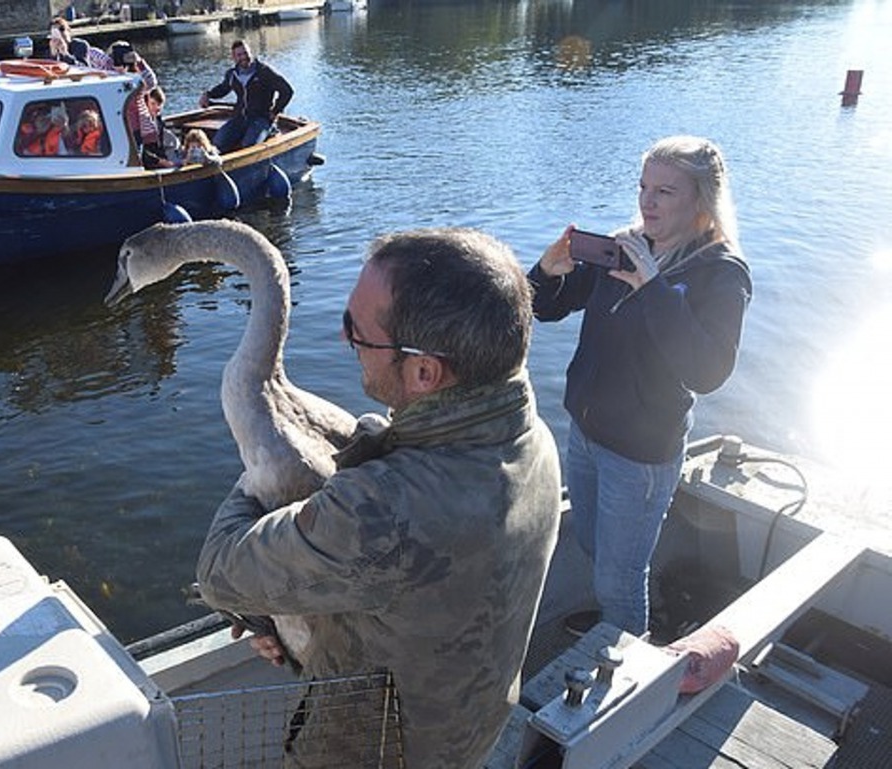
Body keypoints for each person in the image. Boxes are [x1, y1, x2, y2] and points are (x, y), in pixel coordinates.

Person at [196, 229, 562, 768]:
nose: (344, 339)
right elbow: (411, 593)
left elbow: (217, 572)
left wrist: (264, 473)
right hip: (469, 727)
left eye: (357, 333)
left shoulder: (381, 510)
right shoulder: (531, 439)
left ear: (423, 371)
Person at [529, 135, 752, 638]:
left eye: (665, 192)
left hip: (640, 457)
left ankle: (623, 654)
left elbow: (708, 372)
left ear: (702, 200)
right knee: (591, 543)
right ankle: (613, 624)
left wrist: (653, 288)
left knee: (620, 576)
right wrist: (546, 271)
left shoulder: (721, 273)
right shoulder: (625, 247)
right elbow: (546, 308)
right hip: (586, 435)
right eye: (643, 187)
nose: (647, 202)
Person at [197, 39, 293, 153]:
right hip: (239, 118)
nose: (243, 57)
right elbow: (223, 89)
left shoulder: (264, 72)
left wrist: (275, 110)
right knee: (218, 142)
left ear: (250, 52)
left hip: (261, 119)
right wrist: (207, 95)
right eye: (239, 55)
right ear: (234, 57)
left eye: (245, 53)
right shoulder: (232, 75)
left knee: (249, 146)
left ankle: (271, 130)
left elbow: (287, 91)